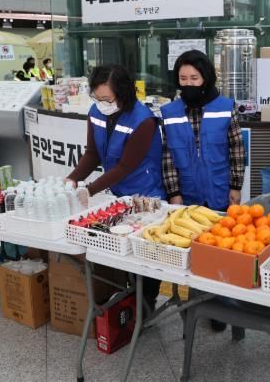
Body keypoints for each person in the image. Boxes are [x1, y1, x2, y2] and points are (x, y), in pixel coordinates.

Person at [65, 64, 166, 311]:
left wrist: (90, 189)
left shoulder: (143, 120)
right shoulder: (96, 112)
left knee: (143, 258)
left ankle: (146, 307)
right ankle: (125, 304)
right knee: (120, 252)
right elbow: (92, 154)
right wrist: (72, 179)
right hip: (118, 194)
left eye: (107, 99)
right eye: (97, 98)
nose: (102, 104)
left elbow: (126, 166)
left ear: (123, 93)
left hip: (145, 196)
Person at [161, 50, 245, 210]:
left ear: (205, 78)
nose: (188, 83)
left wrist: (236, 186)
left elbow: (237, 149)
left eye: (194, 78)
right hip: (186, 195)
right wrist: (173, 193)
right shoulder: (170, 112)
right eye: (183, 78)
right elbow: (167, 157)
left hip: (219, 192)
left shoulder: (225, 107)